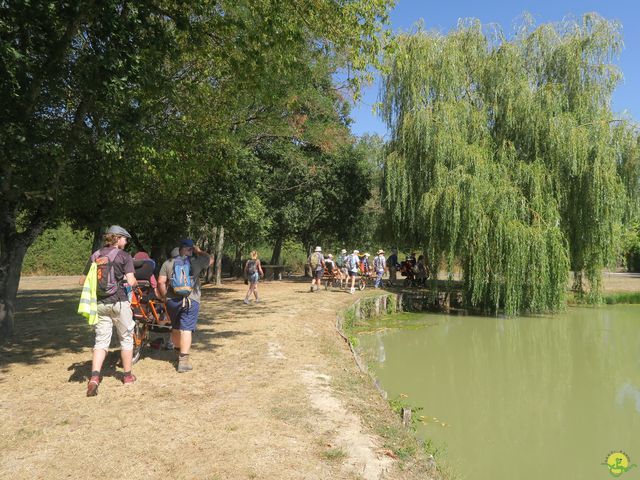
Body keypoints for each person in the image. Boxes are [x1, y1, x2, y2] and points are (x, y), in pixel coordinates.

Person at [80, 225, 138, 397]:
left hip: (100, 304)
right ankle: (127, 376)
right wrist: (132, 282)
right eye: (125, 239)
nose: (126, 242)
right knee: (126, 338)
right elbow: (131, 280)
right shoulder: (124, 256)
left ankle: (94, 378)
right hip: (119, 303)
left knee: (101, 341)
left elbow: (82, 281)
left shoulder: (95, 256)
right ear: (118, 238)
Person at [157, 239, 213, 373]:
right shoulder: (197, 261)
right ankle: (183, 362)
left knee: (175, 326)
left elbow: (160, 282)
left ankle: (177, 352)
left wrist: (165, 296)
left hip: (172, 300)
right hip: (191, 300)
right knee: (186, 328)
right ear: (191, 249)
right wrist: (199, 251)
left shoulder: (168, 263)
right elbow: (210, 259)